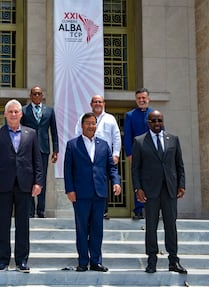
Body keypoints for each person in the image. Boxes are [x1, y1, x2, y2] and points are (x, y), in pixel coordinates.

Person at [0, 99, 43, 273]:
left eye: (16, 111)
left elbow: (37, 161)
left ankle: (21, 261)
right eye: (10, 111)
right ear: (5, 114)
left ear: (21, 114)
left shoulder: (31, 134)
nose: (13, 114)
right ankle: (2, 261)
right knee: (3, 225)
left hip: (25, 185)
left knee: (23, 225)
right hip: (3, 185)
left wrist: (38, 182)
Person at [131, 110, 187, 274]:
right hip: (150, 191)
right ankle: (152, 260)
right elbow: (135, 169)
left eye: (159, 120)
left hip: (170, 190)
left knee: (171, 226)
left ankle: (173, 260)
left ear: (163, 121)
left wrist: (181, 185)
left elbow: (179, 165)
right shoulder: (139, 141)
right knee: (151, 226)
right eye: (153, 121)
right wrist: (138, 188)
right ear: (148, 122)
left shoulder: (173, 139)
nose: (157, 123)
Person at [64, 112, 121, 272]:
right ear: (82, 126)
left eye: (93, 123)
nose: (91, 126)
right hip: (80, 194)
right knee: (82, 228)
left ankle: (96, 261)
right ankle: (83, 262)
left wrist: (116, 182)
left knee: (97, 229)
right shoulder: (72, 145)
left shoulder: (103, 145)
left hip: (99, 193)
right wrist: (70, 190)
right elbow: (68, 169)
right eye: (88, 123)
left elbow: (111, 167)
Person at [75, 95, 121, 219]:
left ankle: (104, 211)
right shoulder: (83, 118)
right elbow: (77, 135)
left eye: (100, 102)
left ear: (104, 103)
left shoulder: (110, 119)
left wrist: (116, 154)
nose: (97, 104)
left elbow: (116, 137)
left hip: (104, 156)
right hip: (87, 157)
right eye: (95, 102)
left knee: (103, 182)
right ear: (91, 104)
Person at [21, 86, 59, 218]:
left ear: (42, 96)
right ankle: (30, 210)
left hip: (43, 149)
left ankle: (41, 210)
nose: (37, 96)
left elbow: (54, 131)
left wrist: (56, 150)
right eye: (34, 94)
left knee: (41, 179)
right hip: (27, 149)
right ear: (30, 96)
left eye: (39, 94)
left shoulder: (49, 111)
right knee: (28, 179)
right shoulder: (24, 111)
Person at [124, 88, 153, 220]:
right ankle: (139, 209)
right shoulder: (130, 115)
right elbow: (128, 136)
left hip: (153, 154)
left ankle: (153, 209)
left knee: (154, 181)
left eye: (144, 98)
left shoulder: (154, 114)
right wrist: (129, 154)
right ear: (136, 100)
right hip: (137, 154)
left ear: (148, 99)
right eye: (139, 98)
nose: (141, 100)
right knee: (138, 181)